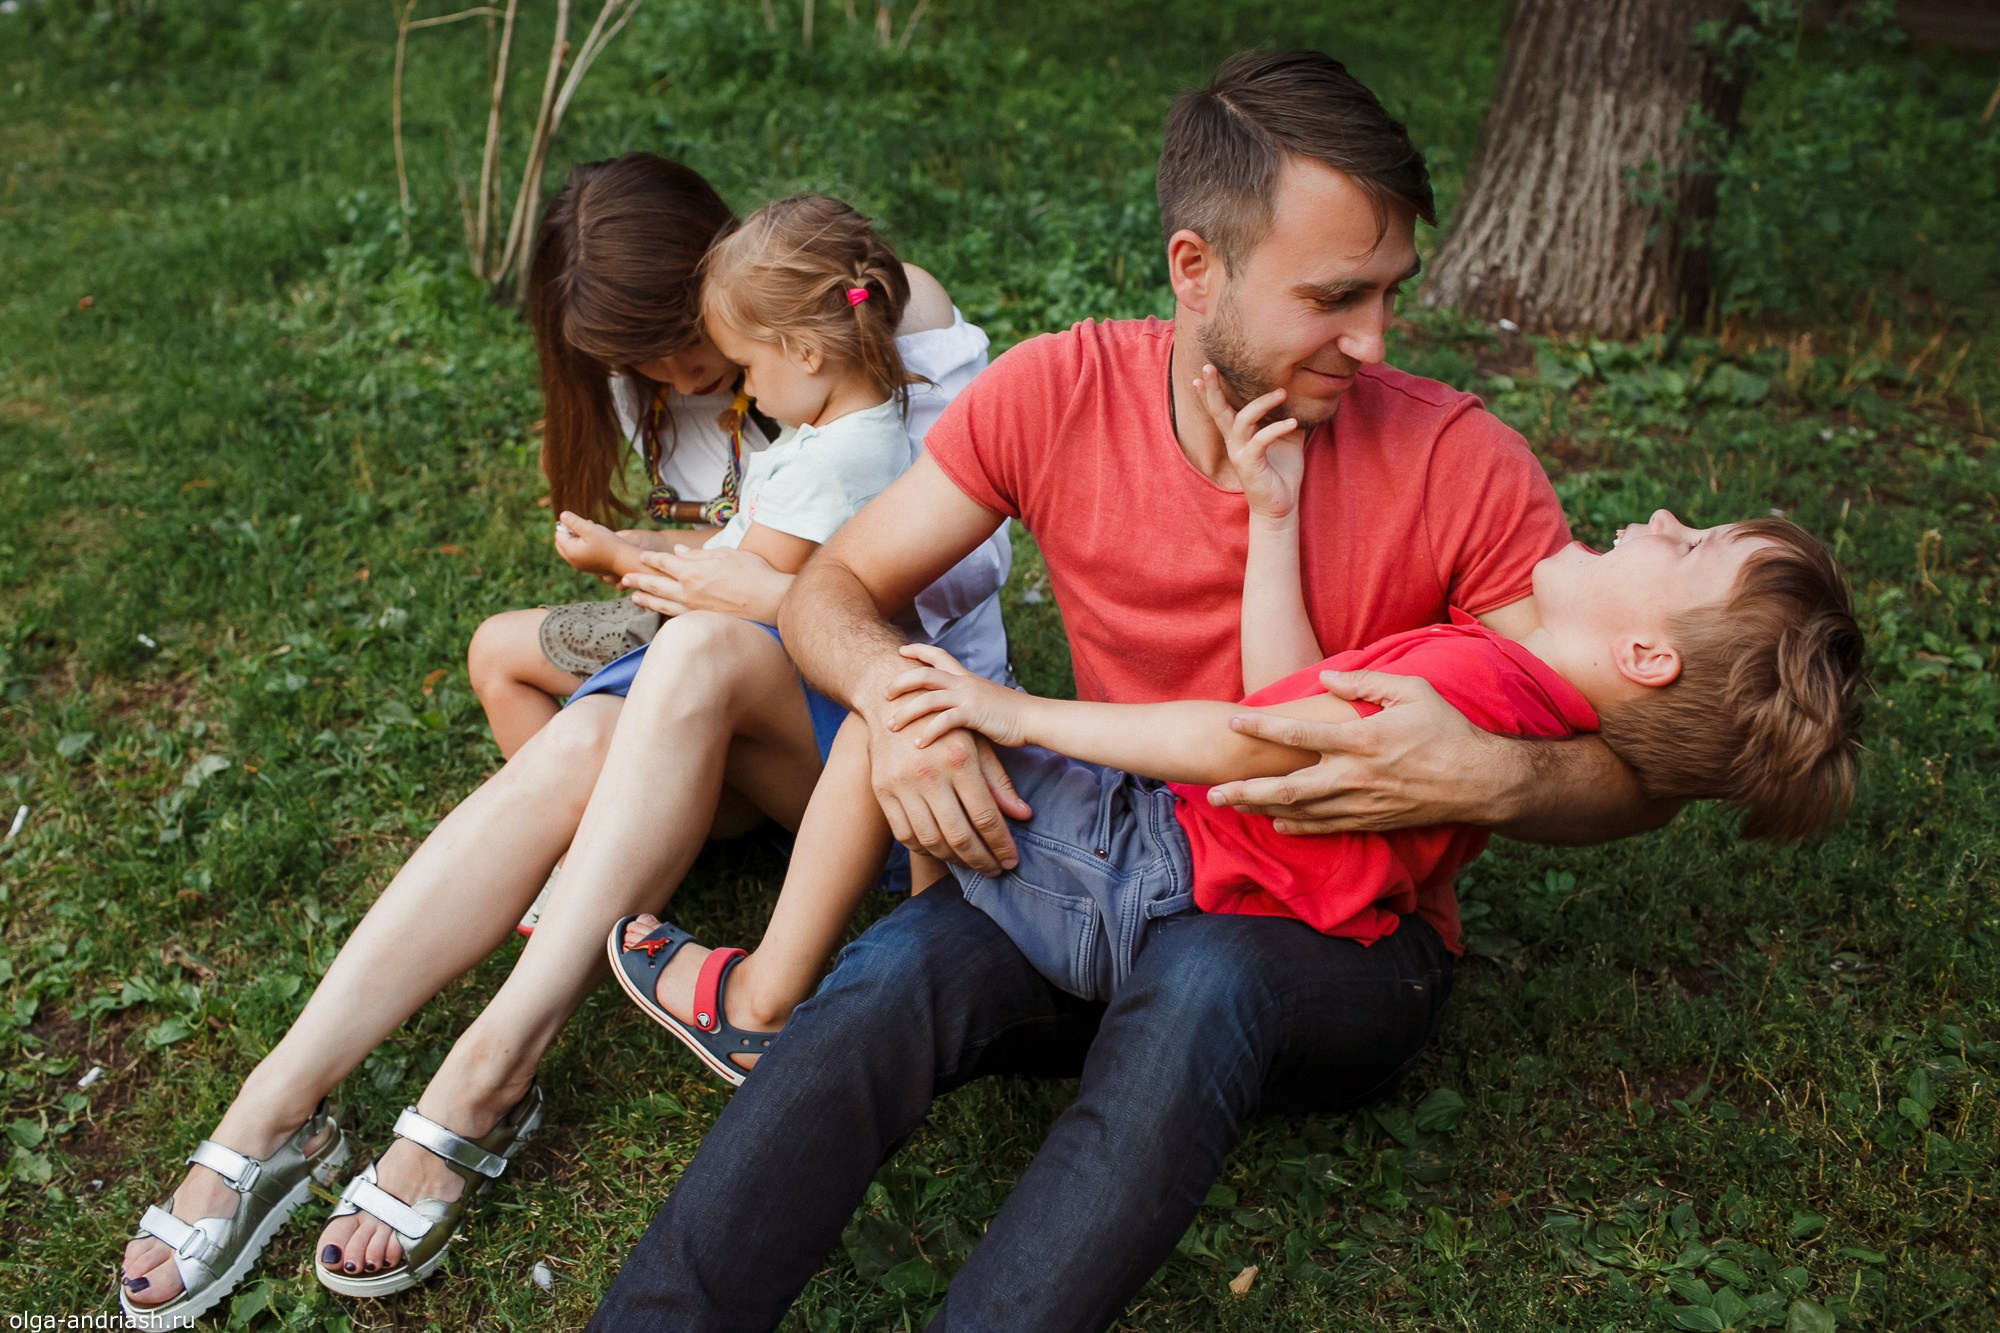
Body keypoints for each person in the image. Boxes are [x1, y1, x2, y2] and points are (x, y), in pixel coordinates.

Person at [583, 50, 1695, 1331]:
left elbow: (1640, 765)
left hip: (1337, 945)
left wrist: (1490, 773)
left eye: (1389, 291)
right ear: (1194, 268)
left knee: (1203, 981)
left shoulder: (1462, 463)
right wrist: (896, 702)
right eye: (1333, 296)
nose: (1373, 339)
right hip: (1111, 863)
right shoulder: (1058, 393)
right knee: (886, 980)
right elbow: (832, 586)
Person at [115, 160, 1009, 1326]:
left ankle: (484, 1075)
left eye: (694, 347)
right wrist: (667, 568)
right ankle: (276, 1102)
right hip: (734, 692)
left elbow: (942, 572)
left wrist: (743, 589)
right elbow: (722, 547)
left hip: (881, 731)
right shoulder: (703, 371)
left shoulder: (876, 318)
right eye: (646, 359)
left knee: (688, 655)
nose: (686, 376)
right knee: (587, 731)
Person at [604, 382, 1862, 1063]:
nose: (1659, 520)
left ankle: (763, 1004)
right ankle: (918, 939)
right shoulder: (1506, 684)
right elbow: (1284, 705)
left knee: (908, 701)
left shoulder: (1478, 686)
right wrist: (1275, 521)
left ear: (1646, 654)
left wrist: (1003, 704)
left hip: (1143, 879)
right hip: (1178, 884)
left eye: (1686, 545)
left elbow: (1241, 741)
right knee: (928, 722)